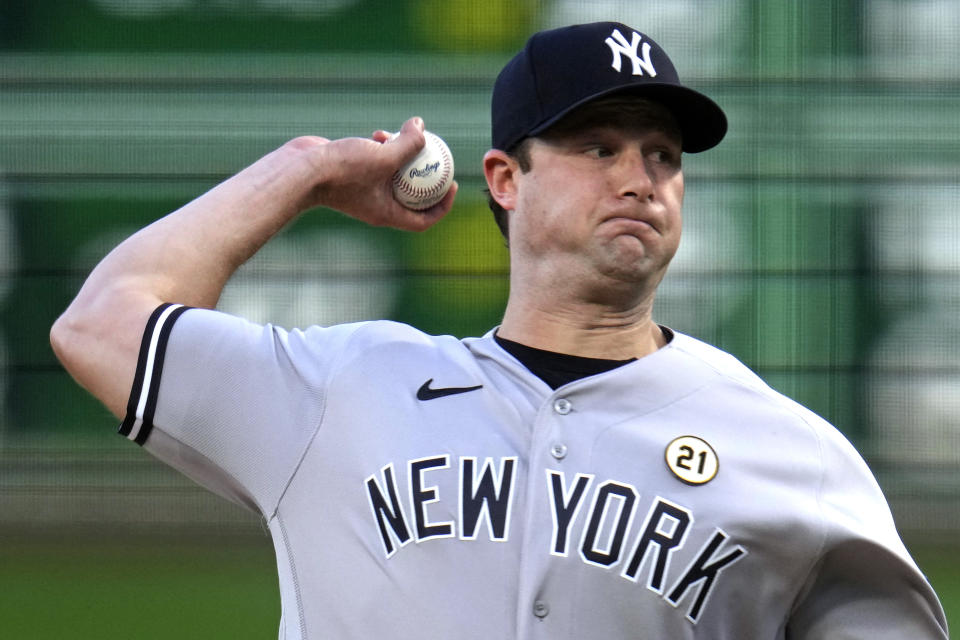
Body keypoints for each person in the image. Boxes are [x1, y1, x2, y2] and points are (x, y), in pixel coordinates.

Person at [51, 21, 947, 640]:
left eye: (663, 156)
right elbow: (100, 324)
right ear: (504, 179)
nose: (640, 177)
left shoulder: (792, 456)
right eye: (599, 147)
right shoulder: (344, 390)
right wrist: (306, 170)